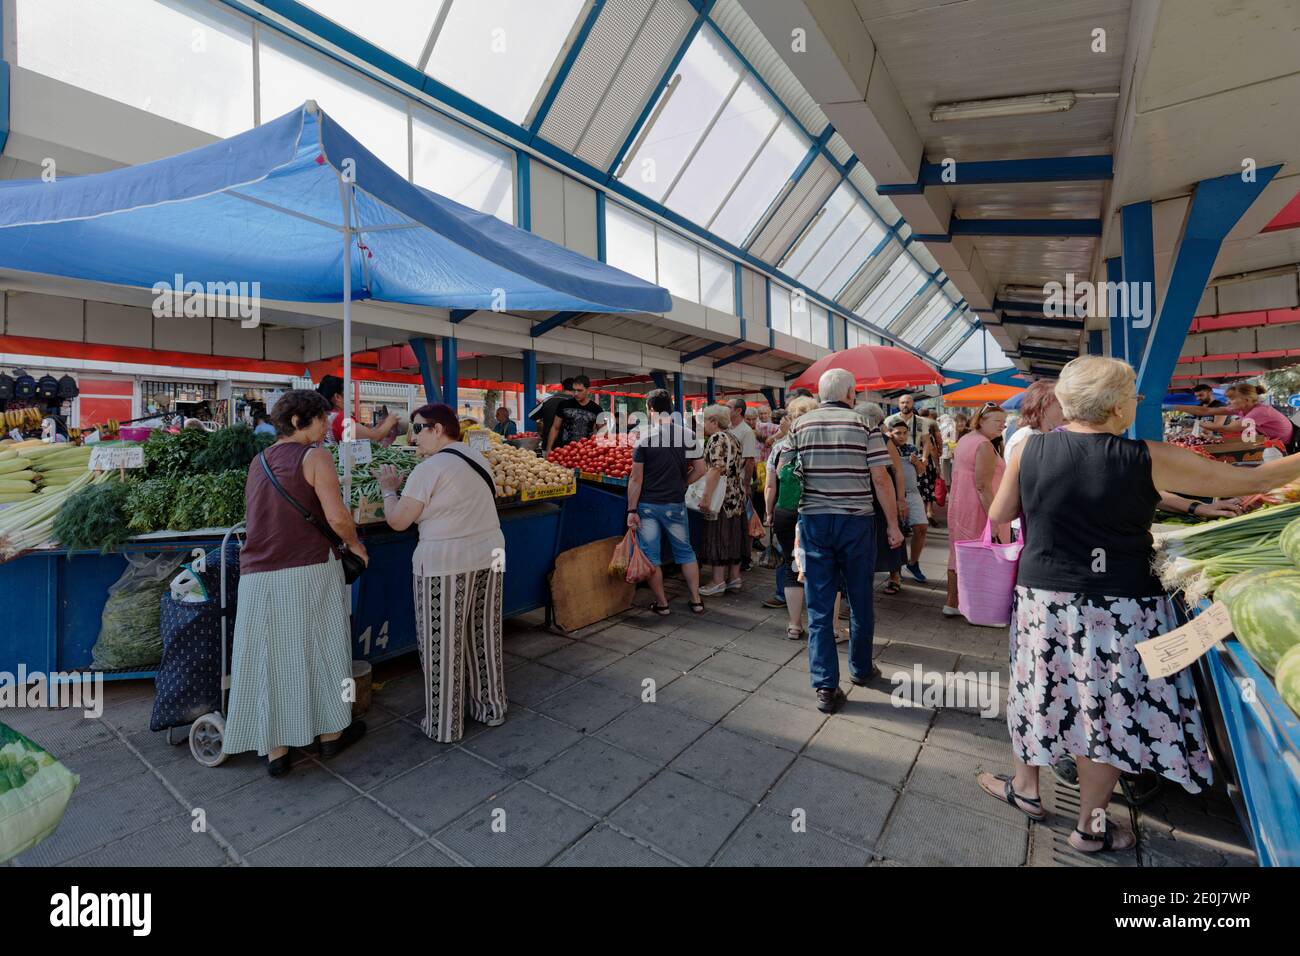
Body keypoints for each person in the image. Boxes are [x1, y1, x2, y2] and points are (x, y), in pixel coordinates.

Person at [979, 355, 1300, 852]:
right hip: (1120, 607)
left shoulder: (1030, 450)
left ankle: (1026, 790)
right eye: (1134, 396)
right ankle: (1090, 826)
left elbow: (1001, 512)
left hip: (1044, 600)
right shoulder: (1148, 457)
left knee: (1043, 691)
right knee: (1102, 711)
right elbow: (1252, 481)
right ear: (1117, 408)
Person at [223, 389, 368, 776]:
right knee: (322, 646)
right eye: (322, 419)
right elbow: (337, 517)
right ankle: (331, 735)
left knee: (269, 656)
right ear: (302, 422)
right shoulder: (315, 456)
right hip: (308, 567)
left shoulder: (259, 461)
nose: (326, 427)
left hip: (257, 575)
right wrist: (355, 545)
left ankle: (276, 751)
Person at [377, 404, 507, 743]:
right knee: (484, 635)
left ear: (438, 429)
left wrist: (390, 489)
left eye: (419, 429)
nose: (413, 437)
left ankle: (445, 724)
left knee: (442, 644)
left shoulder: (429, 469)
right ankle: (490, 708)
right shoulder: (478, 458)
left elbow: (398, 521)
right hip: (490, 553)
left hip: (445, 561)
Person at [792, 369, 902, 713]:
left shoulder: (800, 425)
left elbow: (790, 475)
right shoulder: (863, 425)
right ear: (851, 393)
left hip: (814, 522)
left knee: (820, 605)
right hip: (856, 522)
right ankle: (861, 668)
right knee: (859, 597)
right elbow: (880, 478)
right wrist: (893, 525)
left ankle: (825, 686)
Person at [625, 389, 706, 615]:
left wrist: (632, 509)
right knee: (686, 552)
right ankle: (696, 600)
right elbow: (701, 470)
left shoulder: (643, 437)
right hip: (675, 505)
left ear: (650, 409)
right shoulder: (688, 435)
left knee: (652, 556)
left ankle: (662, 604)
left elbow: (635, 478)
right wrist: (683, 484)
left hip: (648, 505)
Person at [944, 401, 1007, 621]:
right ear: (981, 420)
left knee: (959, 552)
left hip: (962, 503)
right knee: (981, 555)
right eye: (997, 421)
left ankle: (952, 602)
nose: (1002, 426)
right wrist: (996, 520)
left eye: (1004, 422)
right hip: (979, 508)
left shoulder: (966, 440)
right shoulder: (984, 445)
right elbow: (983, 486)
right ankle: (978, 608)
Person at [764, 396, 818, 634]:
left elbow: (770, 486)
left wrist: (768, 513)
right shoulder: (821, 443)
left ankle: (794, 624)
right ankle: (827, 625)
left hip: (785, 510)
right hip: (816, 510)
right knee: (822, 564)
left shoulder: (779, 447)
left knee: (791, 564)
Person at [696, 404, 749, 596]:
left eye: (704, 420)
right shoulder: (733, 437)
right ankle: (735, 578)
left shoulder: (717, 438)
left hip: (722, 498)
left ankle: (717, 582)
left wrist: (706, 496)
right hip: (736, 495)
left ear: (713, 421)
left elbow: (716, 468)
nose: (703, 424)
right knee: (734, 535)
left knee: (719, 536)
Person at [857, 402, 908, 593]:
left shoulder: (886, 440)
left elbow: (898, 471)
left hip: (885, 491)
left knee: (891, 529)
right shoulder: (859, 436)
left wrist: (900, 499)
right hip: (866, 491)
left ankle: (895, 574)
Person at [1175, 382, 1293, 444]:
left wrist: (1197, 423)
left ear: (1246, 400)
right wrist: (1175, 406)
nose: (1227, 402)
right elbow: (1207, 410)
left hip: (1288, 446)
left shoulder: (1260, 412)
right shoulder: (1242, 408)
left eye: (1231, 399)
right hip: (1274, 443)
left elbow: (1226, 428)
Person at [889, 419, 929, 586]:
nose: (902, 436)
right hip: (893, 495)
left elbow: (922, 470)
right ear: (890, 433)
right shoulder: (885, 447)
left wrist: (917, 462)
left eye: (905, 433)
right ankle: (895, 571)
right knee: (896, 532)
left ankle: (913, 563)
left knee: (921, 527)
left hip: (912, 493)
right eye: (898, 433)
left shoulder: (911, 448)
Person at [885, 393, 939, 515]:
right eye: (902, 402)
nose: (905, 405)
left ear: (912, 403)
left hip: (915, 459)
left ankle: (918, 516)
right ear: (898, 404)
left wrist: (924, 457)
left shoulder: (921, 421)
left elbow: (926, 442)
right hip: (895, 457)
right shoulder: (890, 420)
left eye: (908, 402)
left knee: (919, 492)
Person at [316, 374, 399, 445]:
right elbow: (373, 438)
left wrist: (379, 427)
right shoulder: (340, 418)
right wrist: (390, 421)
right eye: (346, 394)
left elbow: (364, 434)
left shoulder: (323, 416)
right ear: (337, 397)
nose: (349, 399)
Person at [1004, 380, 1064, 460]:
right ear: (1043, 408)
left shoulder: (1040, 434)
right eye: (1061, 406)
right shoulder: (1026, 436)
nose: (1065, 411)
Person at [547, 375, 602, 451]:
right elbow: (555, 428)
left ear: (588, 390)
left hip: (585, 452)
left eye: (579, 390)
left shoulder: (597, 409)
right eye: (574, 390)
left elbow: (602, 432)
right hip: (563, 450)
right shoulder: (564, 404)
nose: (576, 393)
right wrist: (549, 448)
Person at [529, 378, 573, 442]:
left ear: (562, 387)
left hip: (548, 444)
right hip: (571, 448)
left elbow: (531, 415)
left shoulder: (548, 400)